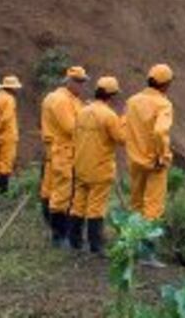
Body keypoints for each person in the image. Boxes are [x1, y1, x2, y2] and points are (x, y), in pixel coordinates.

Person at [124, 63, 176, 266]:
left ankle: (132, 248)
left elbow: (124, 126)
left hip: (135, 160)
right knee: (153, 208)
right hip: (154, 163)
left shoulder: (132, 101)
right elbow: (159, 132)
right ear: (166, 84)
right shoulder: (163, 105)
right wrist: (161, 156)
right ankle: (147, 254)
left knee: (136, 204)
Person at [69, 76, 127, 254]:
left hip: (80, 166)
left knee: (78, 204)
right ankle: (96, 245)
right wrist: (124, 119)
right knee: (96, 207)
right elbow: (122, 139)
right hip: (100, 169)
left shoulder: (82, 111)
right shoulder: (109, 116)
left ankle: (75, 242)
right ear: (111, 95)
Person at [41, 65, 88, 247]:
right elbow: (70, 127)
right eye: (78, 82)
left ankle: (61, 234)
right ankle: (60, 236)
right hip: (63, 152)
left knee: (53, 191)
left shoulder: (68, 99)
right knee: (62, 194)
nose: (81, 86)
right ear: (68, 81)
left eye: (83, 82)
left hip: (61, 151)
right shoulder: (61, 100)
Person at [0, 74, 22, 196]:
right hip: (7, 136)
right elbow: (6, 118)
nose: (17, 90)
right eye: (15, 88)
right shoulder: (10, 99)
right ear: (11, 88)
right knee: (6, 163)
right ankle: (3, 192)